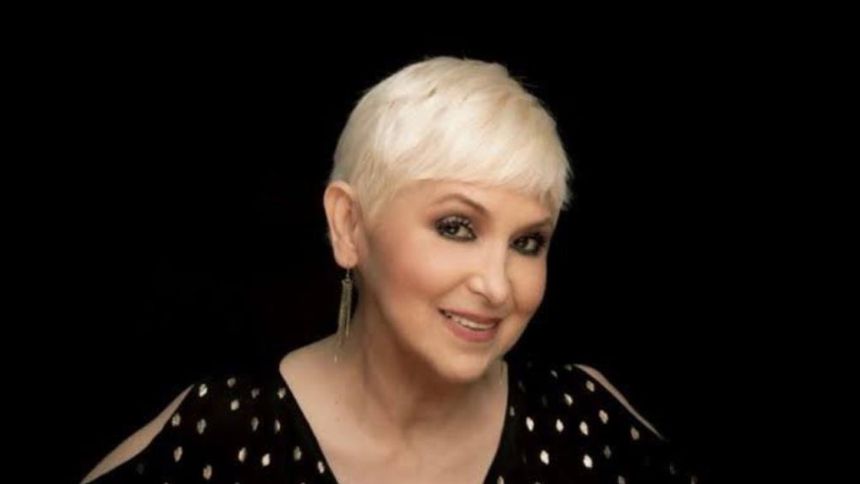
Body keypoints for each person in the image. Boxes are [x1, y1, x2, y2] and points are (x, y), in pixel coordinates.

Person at [82, 56, 699, 483]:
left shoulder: (585, 421)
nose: (496, 285)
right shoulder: (222, 436)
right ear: (349, 226)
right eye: (457, 227)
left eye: (528, 242)